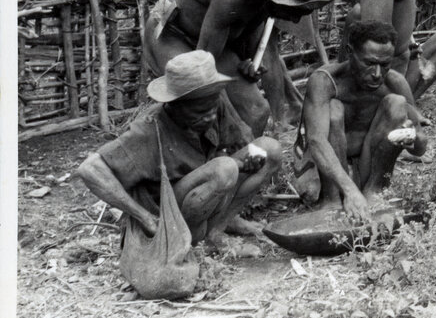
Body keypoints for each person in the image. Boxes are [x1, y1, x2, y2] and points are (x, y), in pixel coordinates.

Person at [76, 50, 283, 256]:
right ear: (174, 105)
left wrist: (247, 162)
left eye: (212, 107)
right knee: (225, 168)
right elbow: (90, 169)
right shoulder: (148, 129)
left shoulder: (214, 104)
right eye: (200, 112)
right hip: (172, 214)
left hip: (205, 194)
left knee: (269, 149)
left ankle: (220, 226)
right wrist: (145, 218)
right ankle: (206, 239)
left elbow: (230, 146)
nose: (211, 116)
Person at [144, 0, 339, 138]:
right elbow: (202, 70)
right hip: (173, 36)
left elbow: (241, 37)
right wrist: (236, 126)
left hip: (210, 45)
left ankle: (239, 167)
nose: (296, 21)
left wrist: (248, 63)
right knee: (201, 112)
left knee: (257, 112)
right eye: (296, 10)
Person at [296, 20, 427, 216]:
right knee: (334, 108)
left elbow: (420, 149)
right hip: (320, 172)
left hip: (364, 168)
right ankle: (331, 202)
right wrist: (349, 190)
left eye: (384, 65)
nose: (376, 74)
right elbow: (316, 142)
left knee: (396, 103)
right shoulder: (325, 81)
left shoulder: (395, 83)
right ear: (350, 52)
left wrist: (411, 137)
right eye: (369, 63)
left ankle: (373, 193)